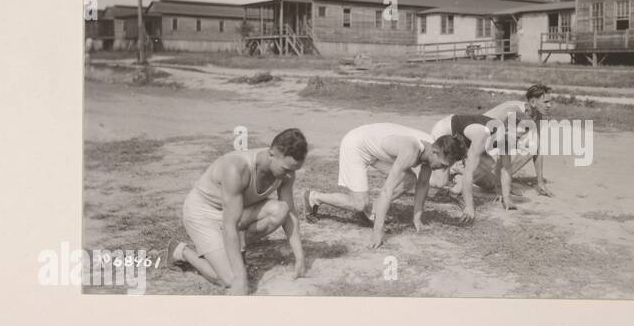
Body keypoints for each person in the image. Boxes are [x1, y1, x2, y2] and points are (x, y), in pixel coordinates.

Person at [169, 129, 308, 295]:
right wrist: (240, 279)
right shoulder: (237, 168)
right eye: (286, 169)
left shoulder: (285, 172)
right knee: (229, 279)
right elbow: (230, 226)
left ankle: (234, 251)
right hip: (203, 212)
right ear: (272, 154)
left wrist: (299, 257)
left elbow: (290, 212)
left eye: (294, 170)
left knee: (281, 209)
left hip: (235, 212)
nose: (290, 175)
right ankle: (180, 251)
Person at [305, 123, 468, 248]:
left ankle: (373, 212)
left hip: (375, 150)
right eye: (443, 164)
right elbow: (387, 191)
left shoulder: (429, 152)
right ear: (435, 152)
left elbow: (423, 184)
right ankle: (314, 197)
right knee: (360, 204)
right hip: (356, 145)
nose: (444, 169)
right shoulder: (411, 151)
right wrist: (378, 232)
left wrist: (417, 219)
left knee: (410, 179)